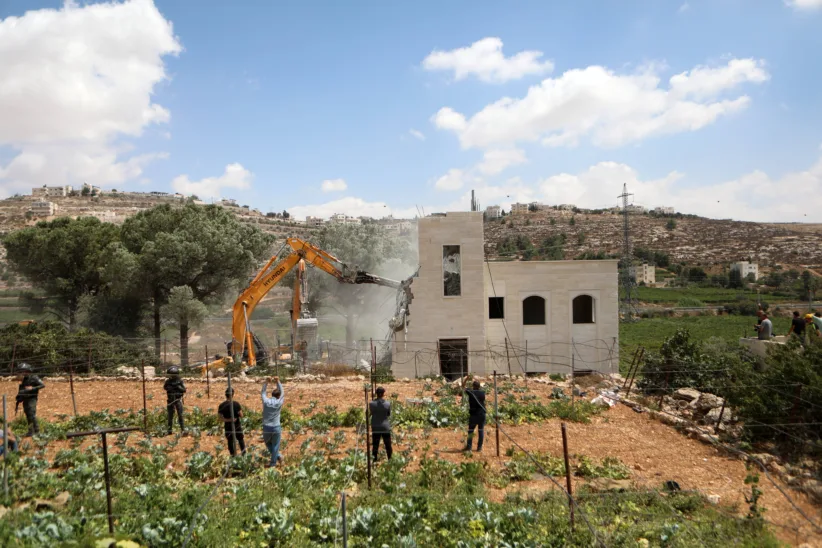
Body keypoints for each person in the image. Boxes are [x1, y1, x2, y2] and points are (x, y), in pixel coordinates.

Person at [15, 363, 44, 437]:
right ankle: (30, 431)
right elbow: (22, 389)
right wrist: (19, 397)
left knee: (32, 414)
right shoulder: (25, 379)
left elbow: (42, 385)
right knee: (28, 414)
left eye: (23, 371)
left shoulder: (34, 377)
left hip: (32, 398)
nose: (22, 373)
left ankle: (37, 431)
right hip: (25, 398)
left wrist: (32, 388)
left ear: (27, 370)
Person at [261, 376, 284, 467]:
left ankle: (275, 460)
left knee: (268, 444)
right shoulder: (279, 402)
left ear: (272, 395)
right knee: (276, 445)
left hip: (266, 427)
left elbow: (263, 392)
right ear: (278, 396)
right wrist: (278, 381)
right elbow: (282, 392)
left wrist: (266, 382)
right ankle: (275, 460)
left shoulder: (266, 401)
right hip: (276, 427)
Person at [218, 388, 245, 456]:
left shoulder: (222, 405)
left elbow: (220, 418)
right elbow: (241, 415)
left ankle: (232, 455)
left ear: (225, 395)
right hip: (237, 425)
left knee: (230, 440)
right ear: (232, 395)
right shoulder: (236, 404)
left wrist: (228, 420)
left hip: (228, 426)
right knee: (240, 439)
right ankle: (244, 454)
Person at [462, 380, 486, 452]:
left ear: (473, 386)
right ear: (479, 386)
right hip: (482, 414)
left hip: (474, 415)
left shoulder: (471, 392)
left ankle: (469, 447)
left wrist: (466, 379)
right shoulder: (482, 393)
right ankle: (479, 448)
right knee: (481, 430)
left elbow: (463, 386)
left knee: (471, 431)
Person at [369, 387, 392, 461]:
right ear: (383, 394)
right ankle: (390, 460)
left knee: (375, 445)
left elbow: (371, 413)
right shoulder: (387, 404)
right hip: (385, 427)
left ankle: (374, 461)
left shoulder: (371, 404)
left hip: (375, 426)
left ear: (376, 394)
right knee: (388, 445)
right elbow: (388, 414)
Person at [163, 366, 186, 436]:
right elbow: (166, 388)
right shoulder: (168, 382)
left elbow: (183, 390)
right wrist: (172, 387)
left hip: (178, 400)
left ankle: (183, 430)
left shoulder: (179, 381)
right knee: (170, 416)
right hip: (170, 400)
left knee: (180, 415)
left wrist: (178, 386)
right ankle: (169, 430)